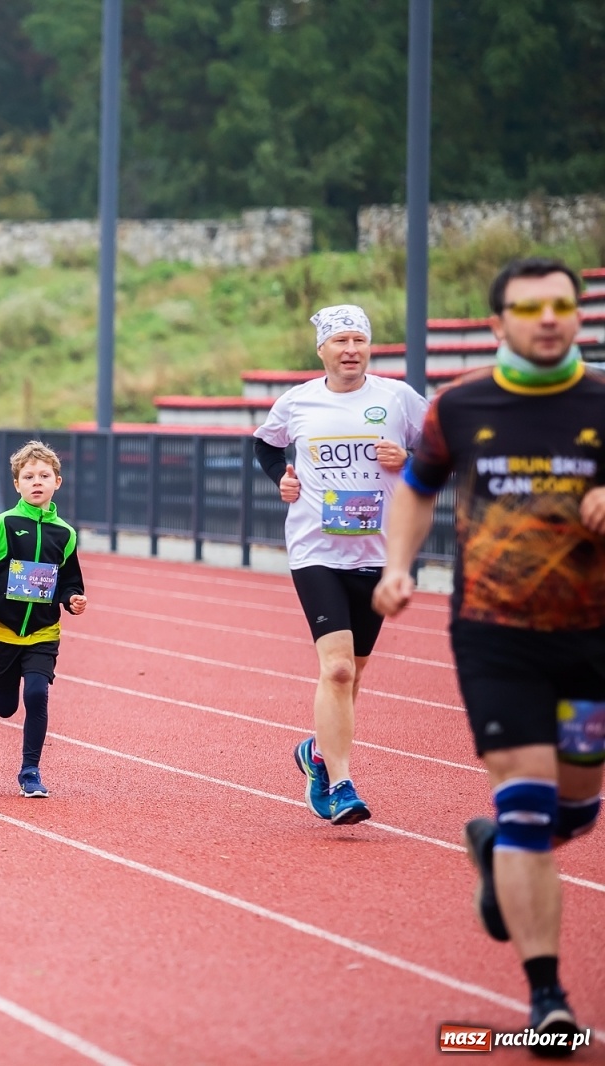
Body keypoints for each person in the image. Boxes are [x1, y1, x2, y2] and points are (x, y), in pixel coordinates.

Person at [374, 258, 605, 1049]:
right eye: (529, 307)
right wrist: (399, 565)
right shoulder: (461, 405)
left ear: (579, 315)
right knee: (530, 803)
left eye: (562, 305)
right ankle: (548, 999)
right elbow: (417, 486)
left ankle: (498, 845)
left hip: (593, 640)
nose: (549, 318)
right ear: (499, 322)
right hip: (494, 636)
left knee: (578, 803)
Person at [252, 304, 428, 825]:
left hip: (377, 552)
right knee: (338, 668)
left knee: (353, 680)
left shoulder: (397, 398)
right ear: (322, 350)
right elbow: (265, 444)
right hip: (316, 550)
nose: (350, 349)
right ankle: (340, 783)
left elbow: (442, 449)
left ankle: (316, 752)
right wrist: (280, 478)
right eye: (340, 341)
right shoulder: (298, 400)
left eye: (359, 340)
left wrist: (409, 460)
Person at [0, 442, 89, 797]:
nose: (37, 482)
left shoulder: (64, 533)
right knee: (4, 708)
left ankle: (30, 771)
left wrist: (72, 599)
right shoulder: (1, 525)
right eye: (28, 476)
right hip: (1, 632)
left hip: (42, 633)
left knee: (37, 694)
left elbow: (69, 578)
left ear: (57, 482)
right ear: (16, 484)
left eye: (44, 476)